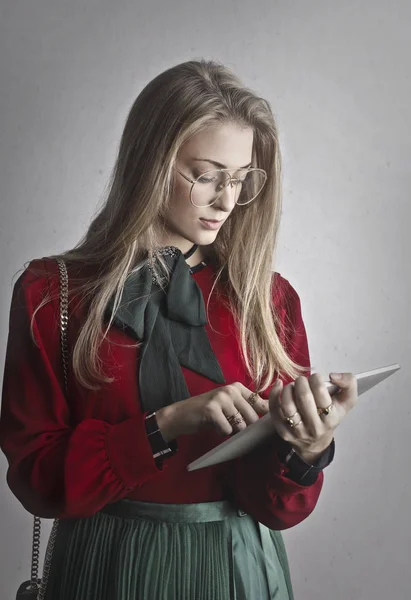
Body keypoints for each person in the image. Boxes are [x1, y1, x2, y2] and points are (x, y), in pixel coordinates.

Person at [0, 59, 358, 600]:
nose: (227, 200)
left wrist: (306, 449)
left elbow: (276, 509)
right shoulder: (54, 293)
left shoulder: (270, 300)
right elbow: (38, 480)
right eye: (207, 174)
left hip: (237, 570)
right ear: (150, 162)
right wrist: (164, 424)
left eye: (240, 180)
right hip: (105, 568)